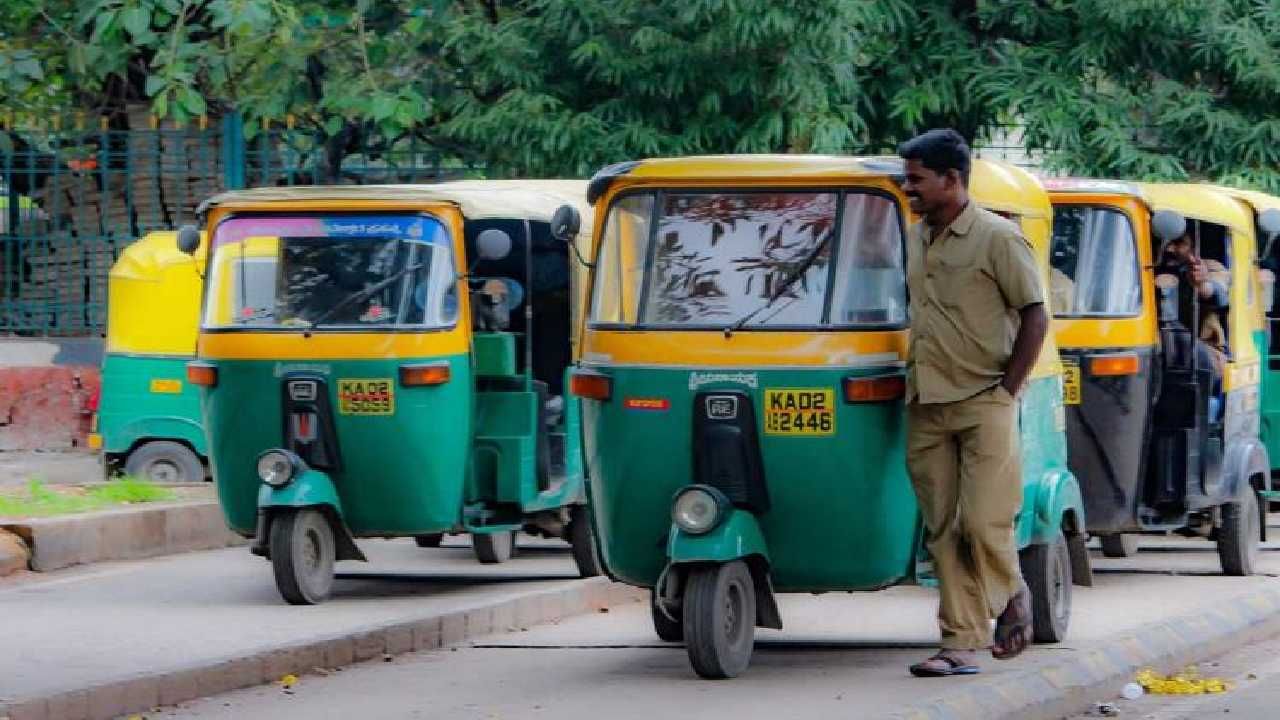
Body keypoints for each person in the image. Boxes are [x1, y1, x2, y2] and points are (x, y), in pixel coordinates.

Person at [898, 129, 1050, 677]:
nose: (907, 188)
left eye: (916, 179)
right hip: (926, 402)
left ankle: (1013, 595)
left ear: (952, 179)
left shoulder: (996, 238)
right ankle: (959, 642)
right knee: (942, 529)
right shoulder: (916, 238)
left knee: (983, 523)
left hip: (985, 398)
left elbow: (1035, 314)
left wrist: (1007, 389)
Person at [1155, 232, 1228, 405]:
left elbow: (1217, 293)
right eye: (1165, 241)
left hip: (1203, 352)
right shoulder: (1146, 267)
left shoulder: (1211, 268)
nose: (1170, 248)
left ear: (1195, 246)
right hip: (1156, 350)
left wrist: (1202, 284)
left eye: (1179, 243)